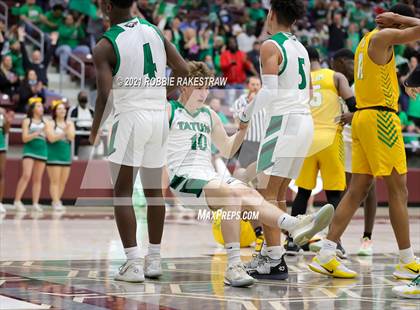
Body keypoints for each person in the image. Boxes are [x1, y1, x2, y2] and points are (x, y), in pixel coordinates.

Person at [166, 61, 334, 286]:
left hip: (208, 176)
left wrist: (242, 130)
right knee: (231, 194)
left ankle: (294, 225)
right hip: (183, 179)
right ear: (184, 86)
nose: (204, 93)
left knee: (249, 193)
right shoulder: (169, 110)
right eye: (200, 87)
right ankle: (233, 266)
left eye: (207, 87)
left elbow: (226, 148)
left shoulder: (209, 114)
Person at [309, 4, 420, 280]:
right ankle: (406, 260)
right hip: (381, 119)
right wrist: (401, 19)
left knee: (357, 189)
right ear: (396, 25)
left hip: (362, 118)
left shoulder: (365, 41)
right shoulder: (383, 37)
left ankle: (326, 253)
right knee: (399, 191)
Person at [89, 0, 189, 283]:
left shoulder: (105, 46)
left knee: (122, 193)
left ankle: (133, 263)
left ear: (107, 6)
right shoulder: (155, 31)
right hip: (158, 117)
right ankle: (154, 259)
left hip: (130, 117)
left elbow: (105, 95)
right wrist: (166, 95)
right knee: (154, 192)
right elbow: (183, 70)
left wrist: (94, 129)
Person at [238, 0, 315, 280]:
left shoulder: (271, 46)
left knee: (266, 195)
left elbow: (269, 93)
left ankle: (273, 258)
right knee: (278, 192)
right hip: (305, 121)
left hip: (283, 121)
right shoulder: (302, 48)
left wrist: (246, 116)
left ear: (271, 14)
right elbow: (307, 91)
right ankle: (275, 255)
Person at [289, 46, 356, 256]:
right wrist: (349, 116)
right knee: (334, 195)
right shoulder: (335, 77)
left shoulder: (299, 82)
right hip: (329, 138)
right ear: (320, 58)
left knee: (302, 192)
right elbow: (355, 105)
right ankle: (334, 242)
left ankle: (291, 242)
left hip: (306, 139)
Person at [330, 48, 377, 257]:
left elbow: (372, 109)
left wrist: (352, 116)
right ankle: (335, 238)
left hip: (365, 134)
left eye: (336, 63)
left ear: (344, 62)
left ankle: (367, 237)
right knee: (346, 188)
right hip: (345, 138)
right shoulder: (343, 83)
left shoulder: (362, 79)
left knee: (369, 187)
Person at [14, 97, 47, 213]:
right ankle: (17, 201)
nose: (41, 108)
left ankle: (35, 203)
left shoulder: (46, 121)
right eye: (38, 106)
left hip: (42, 150)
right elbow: (24, 138)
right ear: (33, 109)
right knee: (26, 175)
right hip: (29, 150)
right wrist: (36, 133)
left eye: (42, 106)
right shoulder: (27, 120)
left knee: (38, 179)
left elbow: (48, 137)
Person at [45, 100, 75, 212]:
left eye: (64, 108)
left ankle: (56, 200)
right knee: (54, 181)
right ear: (55, 111)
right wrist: (64, 133)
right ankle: (56, 201)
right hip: (53, 155)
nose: (62, 110)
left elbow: (71, 137)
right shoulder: (50, 123)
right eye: (59, 108)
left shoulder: (70, 123)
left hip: (65, 155)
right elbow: (51, 138)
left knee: (63, 181)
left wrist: (65, 132)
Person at [69, 91, 94, 156]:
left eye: (85, 97)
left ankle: (103, 155)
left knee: (101, 135)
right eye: (82, 97)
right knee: (76, 135)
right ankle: (75, 155)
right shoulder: (74, 110)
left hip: (90, 131)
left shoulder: (91, 111)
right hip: (79, 130)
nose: (83, 100)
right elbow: (72, 122)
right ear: (78, 99)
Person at [0, 108, 11, 213]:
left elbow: (6, 131)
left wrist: (7, 121)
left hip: (1, 147)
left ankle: (0, 202)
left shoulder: (2, 111)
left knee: (1, 175)